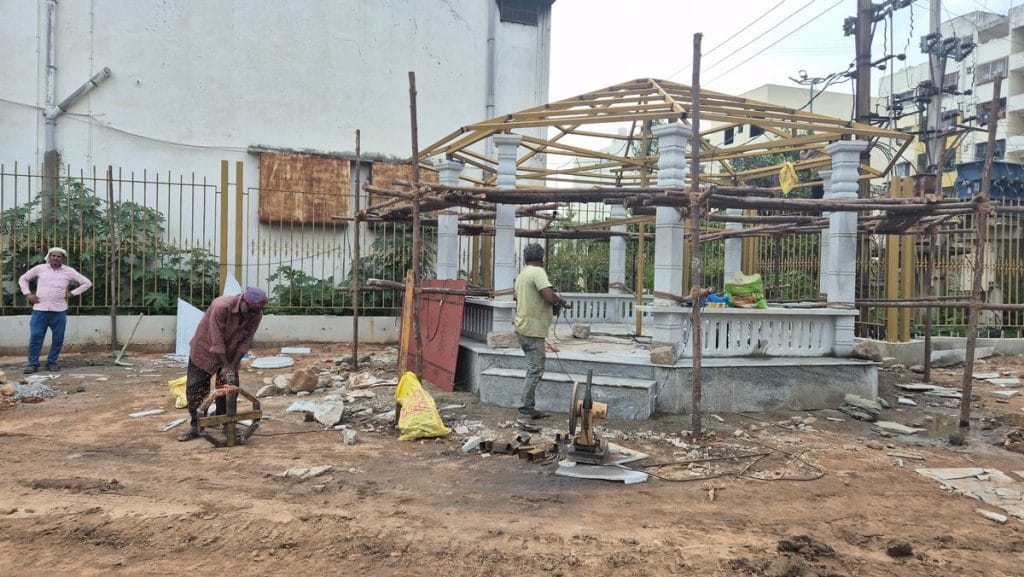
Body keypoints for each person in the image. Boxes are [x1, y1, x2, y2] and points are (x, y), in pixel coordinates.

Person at [178, 287, 268, 442]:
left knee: (229, 388)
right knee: (196, 388)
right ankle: (196, 426)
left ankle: (226, 423)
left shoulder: (256, 314)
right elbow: (216, 339)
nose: (252, 314)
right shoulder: (221, 306)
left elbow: (246, 341)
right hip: (204, 351)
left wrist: (232, 366)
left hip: (230, 354)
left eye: (256, 311)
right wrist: (225, 366)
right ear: (243, 301)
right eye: (251, 310)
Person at [512, 243, 565, 432]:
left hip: (524, 327)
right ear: (541, 257)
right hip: (532, 330)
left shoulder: (522, 274)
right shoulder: (538, 272)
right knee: (535, 370)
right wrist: (559, 300)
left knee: (533, 368)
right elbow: (549, 297)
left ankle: (530, 409)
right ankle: (524, 414)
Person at [18, 247, 93, 373]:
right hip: (40, 309)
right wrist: (27, 294)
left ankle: (52, 362)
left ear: (63, 259)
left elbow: (87, 283)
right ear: (49, 256)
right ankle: (32, 364)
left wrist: (72, 293)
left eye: (59, 256)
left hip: (59, 310)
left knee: (58, 338)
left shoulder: (69, 271)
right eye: (53, 256)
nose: (56, 258)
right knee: (36, 336)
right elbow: (23, 279)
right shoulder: (40, 268)